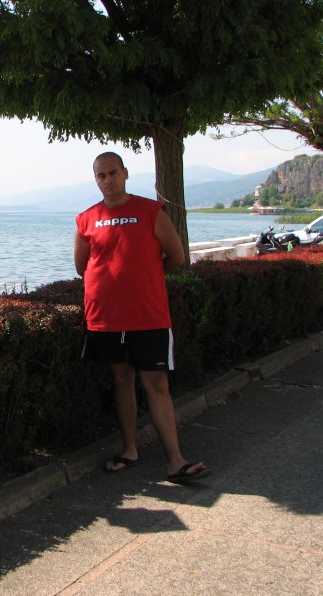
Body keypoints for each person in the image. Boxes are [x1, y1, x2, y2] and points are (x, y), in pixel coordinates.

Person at [74, 151, 209, 483]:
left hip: (149, 316)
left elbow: (176, 256)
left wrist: (146, 278)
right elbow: (81, 266)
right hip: (105, 317)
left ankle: (175, 461)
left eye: (113, 173)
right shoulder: (86, 219)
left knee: (157, 384)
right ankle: (129, 450)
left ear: (125, 173)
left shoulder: (151, 211)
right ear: (96, 180)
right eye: (101, 175)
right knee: (122, 379)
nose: (108, 180)